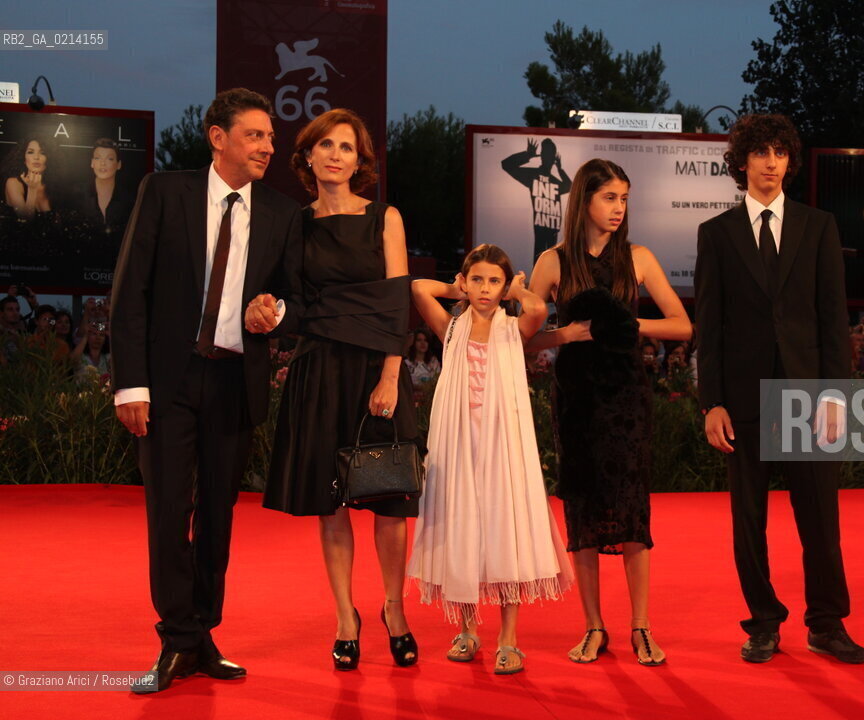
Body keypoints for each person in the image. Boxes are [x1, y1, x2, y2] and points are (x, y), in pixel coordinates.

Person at [110, 88, 304, 694]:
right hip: (166, 383)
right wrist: (130, 386)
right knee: (170, 512)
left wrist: (276, 314)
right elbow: (129, 292)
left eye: (271, 138)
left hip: (233, 380)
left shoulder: (281, 213)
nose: (268, 147)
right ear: (217, 137)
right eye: (255, 135)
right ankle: (177, 636)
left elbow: (295, 300)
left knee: (218, 517)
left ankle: (202, 632)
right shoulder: (165, 192)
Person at [695, 114, 864, 665]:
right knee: (748, 521)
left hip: (809, 401)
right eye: (761, 152)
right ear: (741, 161)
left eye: (780, 152)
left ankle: (826, 622)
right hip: (743, 401)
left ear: (789, 161)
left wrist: (838, 395)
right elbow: (710, 324)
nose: (772, 162)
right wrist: (712, 401)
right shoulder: (716, 234)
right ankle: (764, 623)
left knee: (820, 515)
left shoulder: (818, 226)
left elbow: (832, 318)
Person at [260, 108, 421, 671]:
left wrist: (389, 376)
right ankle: (345, 616)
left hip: (378, 370)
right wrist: (271, 314)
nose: (335, 154)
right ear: (307, 157)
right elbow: (294, 304)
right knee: (332, 503)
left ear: (361, 160)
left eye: (347, 147)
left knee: (390, 501)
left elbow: (396, 302)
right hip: (319, 370)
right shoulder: (294, 224)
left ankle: (394, 609)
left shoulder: (384, 219)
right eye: (324, 145)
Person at [529, 158, 691, 666]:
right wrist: (565, 334)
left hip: (626, 398)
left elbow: (683, 325)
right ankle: (593, 627)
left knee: (631, 508)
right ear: (585, 201)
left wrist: (628, 325)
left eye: (624, 198)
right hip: (576, 399)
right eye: (609, 197)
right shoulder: (553, 261)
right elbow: (525, 333)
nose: (619, 208)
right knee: (582, 508)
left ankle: (641, 626)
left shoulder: (639, 257)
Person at [409, 244, 573, 675]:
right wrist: (454, 286)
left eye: (493, 281)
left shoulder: (513, 327)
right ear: (466, 281)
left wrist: (517, 290)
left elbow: (538, 307)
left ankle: (509, 638)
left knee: (506, 532)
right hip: (458, 444)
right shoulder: (451, 325)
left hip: (503, 444)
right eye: (476, 279)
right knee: (460, 528)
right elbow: (419, 289)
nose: (484, 288)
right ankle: (466, 630)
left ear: (504, 286)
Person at [502, 138, 574, 260]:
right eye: (546, 154)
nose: (549, 159)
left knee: (554, 260)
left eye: (551, 156)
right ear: (541, 156)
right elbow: (506, 165)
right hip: (540, 227)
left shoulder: (555, 181)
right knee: (540, 259)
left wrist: (560, 169)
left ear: (554, 159)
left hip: (554, 229)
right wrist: (527, 155)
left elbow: (570, 187)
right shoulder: (532, 175)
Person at [83, 138, 135, 237]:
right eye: (98, 158)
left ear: (118, 164)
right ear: (92, 163)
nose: (103, 163)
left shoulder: (129, 201)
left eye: (109, 158)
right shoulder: (77, 195)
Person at [3, 137, 53, 218]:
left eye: (42, 153)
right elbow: (25, 221)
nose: (36, 157)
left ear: (50, 158)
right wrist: (32, 189)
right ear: (23, 158)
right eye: (30, 152)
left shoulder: (54, 187)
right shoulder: (13, 182)